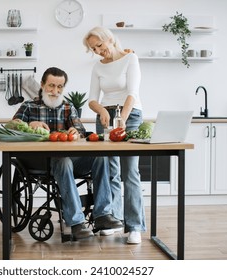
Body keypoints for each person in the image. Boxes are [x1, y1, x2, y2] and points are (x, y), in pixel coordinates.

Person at [12, 66, 123, 240]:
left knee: (100, 158)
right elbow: (12, 126)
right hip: (39, 163)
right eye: (51, 86)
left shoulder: (67, 107)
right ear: (42, 85)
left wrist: (74, 132)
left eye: (60, 87)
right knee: (62, 161)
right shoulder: (28, 106)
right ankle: (77, 223)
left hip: (70, 162)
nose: (55, 91)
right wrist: (29, 125)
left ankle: (102, 215)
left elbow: (80, 130)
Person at [83, 26, 146, 244]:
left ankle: (134, 226)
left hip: (130, 114)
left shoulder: (131, 59)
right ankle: (114, 219)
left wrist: (123, 120)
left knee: (130, 171)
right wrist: (101, 111)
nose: (98, 51)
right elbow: (92, 98)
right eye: (94, 48)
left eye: (99, 45)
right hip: (105, 117)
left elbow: (132, 93)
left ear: (110, 39)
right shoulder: (97, 67)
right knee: (111, 170)